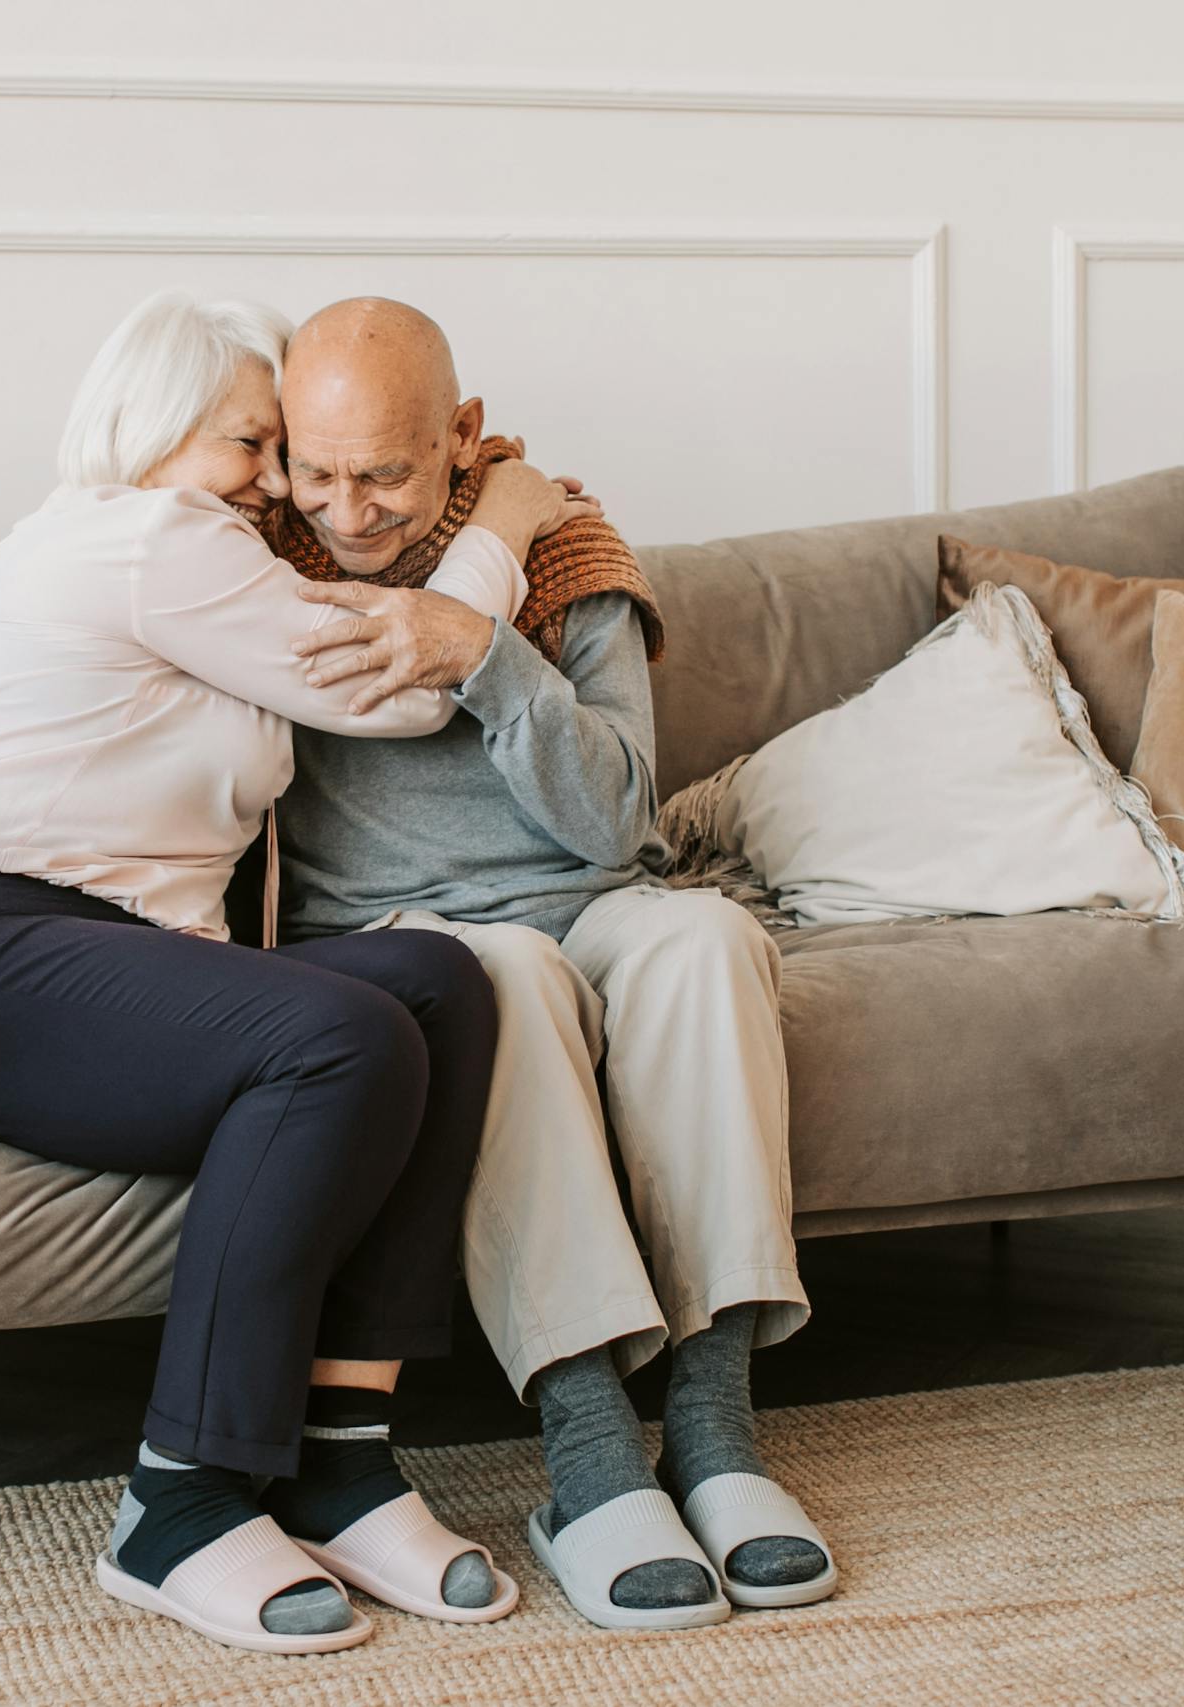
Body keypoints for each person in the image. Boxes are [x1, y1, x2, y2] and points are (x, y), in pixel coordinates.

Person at [0, 290, 594, 1655]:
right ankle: (179, 1502)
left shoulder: (196, 560)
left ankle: (342, 1463)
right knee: (342, 1038)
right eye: (253, 445)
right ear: (158, 429)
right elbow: (403, 685)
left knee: (439, 985)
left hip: (84, 950)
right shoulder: (151, 537)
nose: (273, 484)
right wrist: (501, 524)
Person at [263, 298, 837, 1631]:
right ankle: (586, 1464)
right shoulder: (250, 562)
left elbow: (622, 816)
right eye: (319, 469)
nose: (346, 513)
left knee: (703, 935)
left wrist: (491, 657)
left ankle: (714, 1434)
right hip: (406, 945)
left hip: (594, 900)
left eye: (388, 474)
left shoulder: (568, 552)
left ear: (463, 438)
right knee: (497, 978)